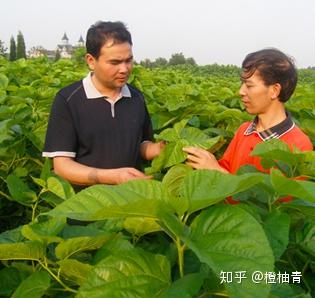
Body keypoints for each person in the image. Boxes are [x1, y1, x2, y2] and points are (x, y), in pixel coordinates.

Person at [43, 21, 164, 186]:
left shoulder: (136, 97)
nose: (124, 69)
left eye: (128, 60)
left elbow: (142, 144)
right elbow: (62, 166)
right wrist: (111, 177)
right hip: (88, 205)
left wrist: (161, 149)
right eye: (115, 63)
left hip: (132, 199)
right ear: (91, 61)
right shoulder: (68, 100)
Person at [183, 48, 313, 174]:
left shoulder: (299, 145)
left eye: (249, 85)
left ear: (274, 90)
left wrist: (216, 170)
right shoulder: (244, 130)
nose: (241, 91)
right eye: (242, 84)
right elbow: (224, 170)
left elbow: (277, 196)